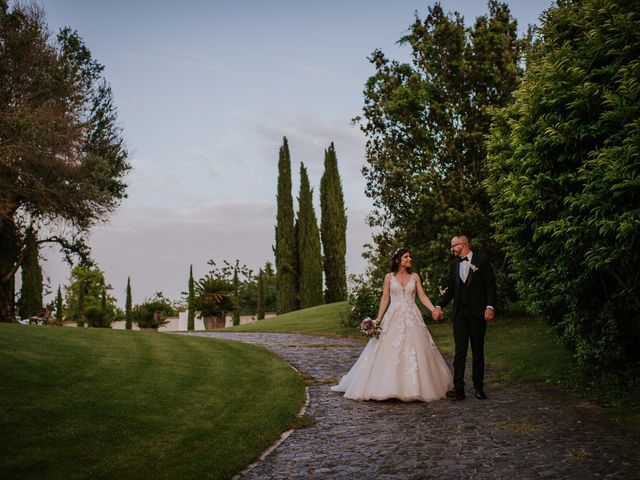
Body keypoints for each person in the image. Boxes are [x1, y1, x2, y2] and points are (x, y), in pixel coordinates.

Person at [331, 248, 452, 402]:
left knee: (416, 349)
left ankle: (414, 388)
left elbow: (422, 296)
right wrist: (377, 320)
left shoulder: (415, 276)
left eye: (410, 256)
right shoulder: (389, 277)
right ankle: (387, 387)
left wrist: (433, 309)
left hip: (412, 317)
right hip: (393, 316)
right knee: (388, 349)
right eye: (406, 257)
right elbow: (385, 298)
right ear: (397, 260)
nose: (410, 259)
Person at [432, 235, 496, 400]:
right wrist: (439, 305)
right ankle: (458, 388)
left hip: (477, 314)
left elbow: (490, 285)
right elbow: (451, 289)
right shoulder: (454, 265)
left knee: (477, 351)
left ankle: (479, 387)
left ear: (463, 244)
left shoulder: (481, 261)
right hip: (459, 315)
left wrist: (489, 306)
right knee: (459, 351)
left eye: (453, 245)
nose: (451, 249)